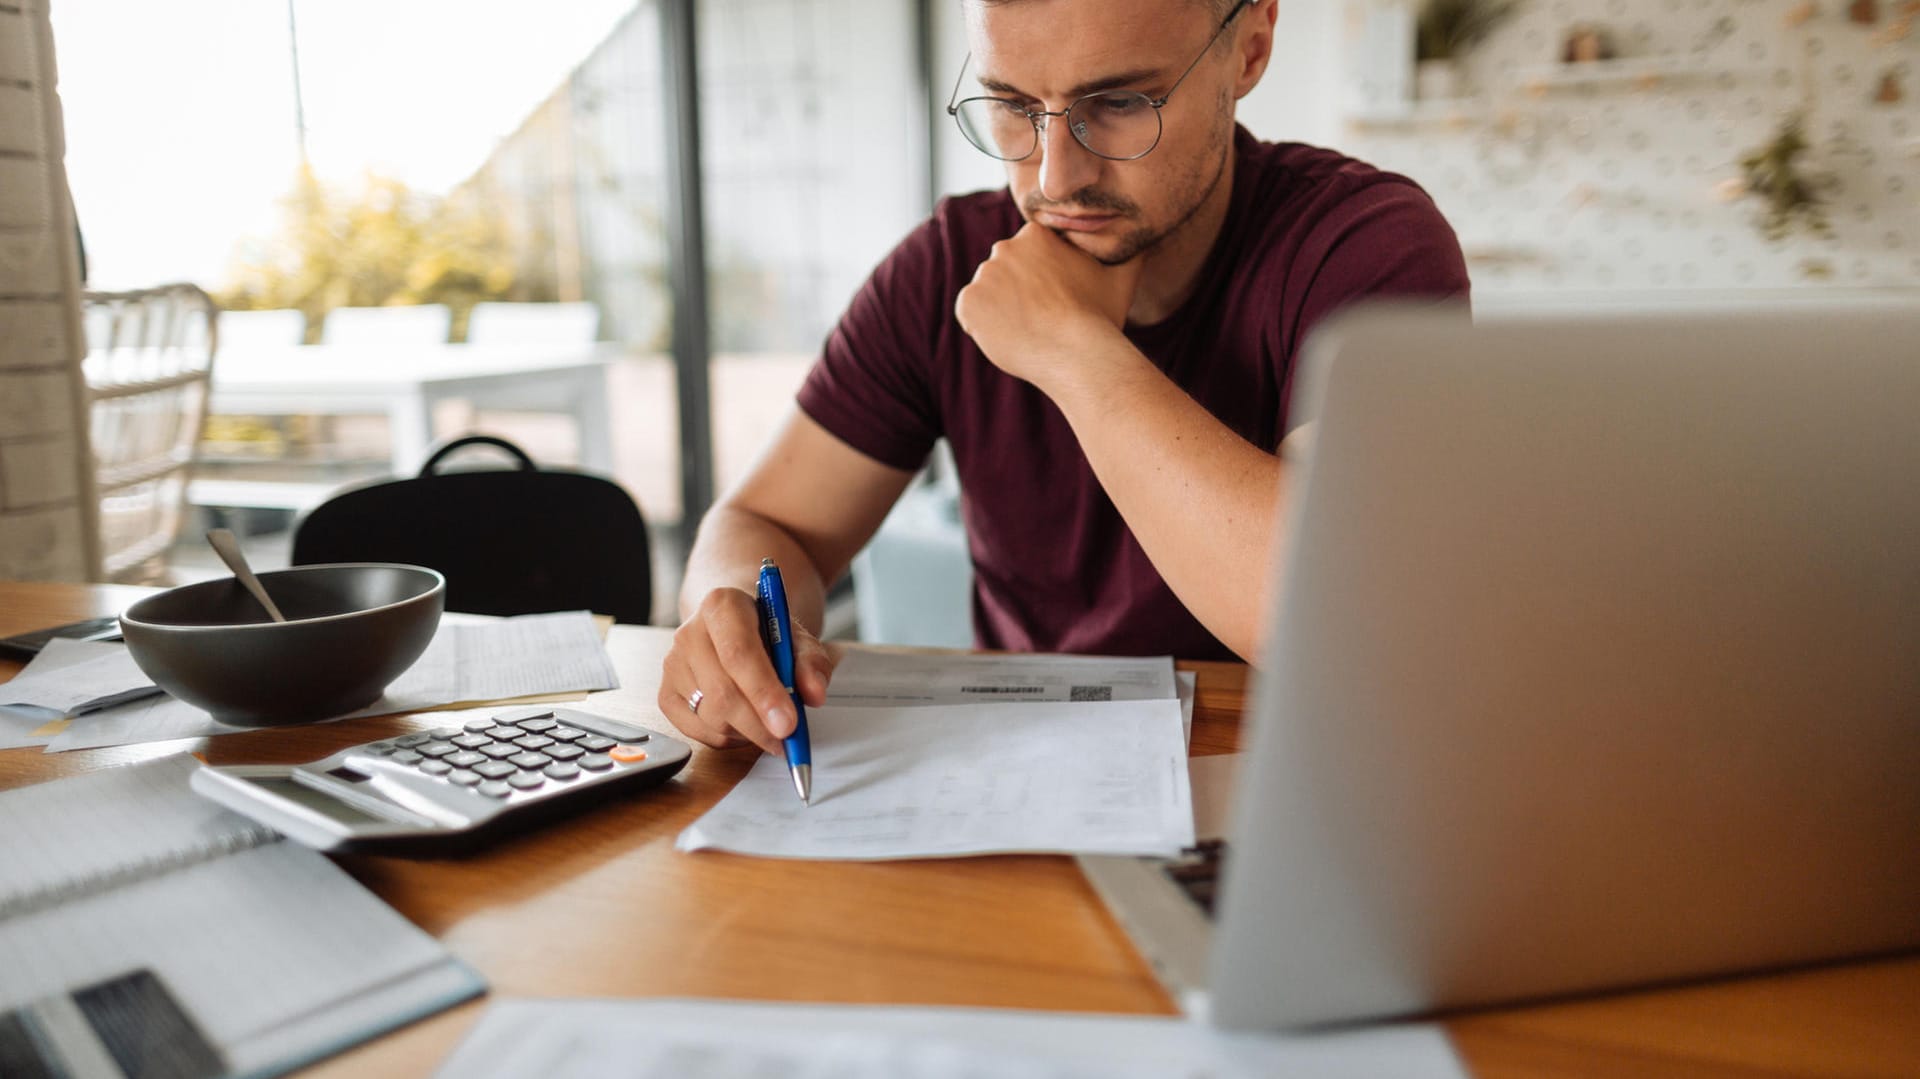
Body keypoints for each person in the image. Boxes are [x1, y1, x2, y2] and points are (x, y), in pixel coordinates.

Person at [660, 0, 1469, 754]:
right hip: (1029, 783)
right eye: (1013, 106)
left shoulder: (1367, 248)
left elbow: (1335, 616)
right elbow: (768, 520)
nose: (1053, 180)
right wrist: (728, 617)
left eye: (1118, 104)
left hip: (1291, 787)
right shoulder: (943, 267)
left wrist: (1071, 350)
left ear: (1249, 47)